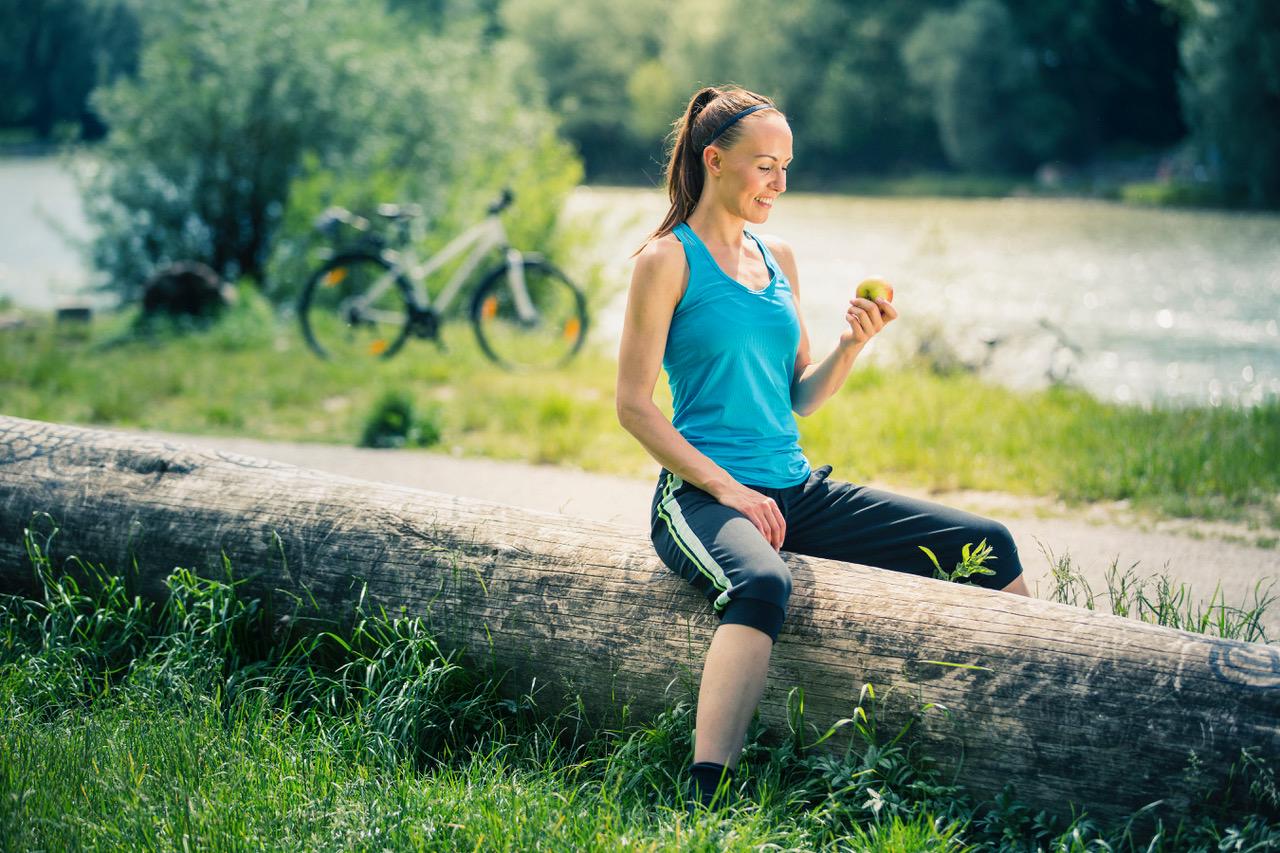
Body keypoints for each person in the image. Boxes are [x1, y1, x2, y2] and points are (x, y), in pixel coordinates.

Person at [614, 85, 1032, 811]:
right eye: (765, 166)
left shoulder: (779, 257)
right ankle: (706, 797)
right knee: (760, 584)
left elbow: (798, 395)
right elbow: (633, 405)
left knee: (989, 543)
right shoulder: (665, 261)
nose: (780, 183)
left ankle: (1041, 723)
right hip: (702, 497)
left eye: (787, 166)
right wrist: (731, 491)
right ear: (714, 161)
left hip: (796, 489)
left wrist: (852, 342)